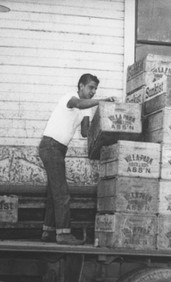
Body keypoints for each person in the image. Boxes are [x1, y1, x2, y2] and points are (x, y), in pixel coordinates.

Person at [39, 73, 116, 245]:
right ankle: (63, 234)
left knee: (54, 193)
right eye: (90, 87)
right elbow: (79, 103)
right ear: (80, 86)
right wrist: (102, 101)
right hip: (50, 146)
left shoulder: (86, 109)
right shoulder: (70, 98)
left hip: (58, 149)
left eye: (95, 89)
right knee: (62, 193)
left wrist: (107, 129)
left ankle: (49, 231)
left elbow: (85, 132)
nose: (93, 91)